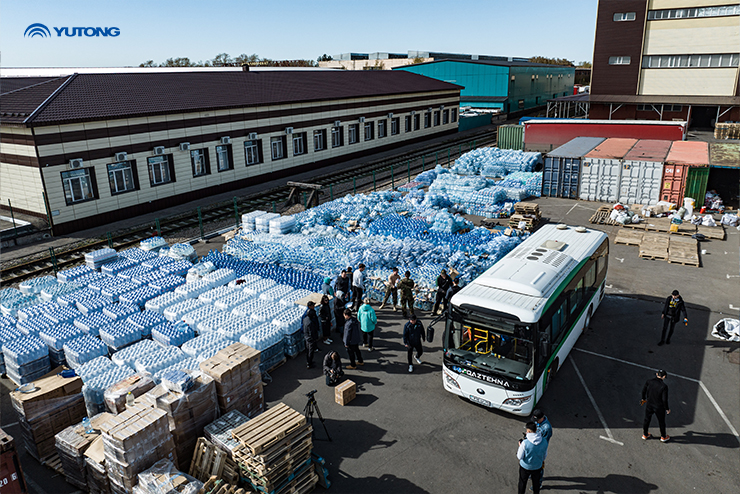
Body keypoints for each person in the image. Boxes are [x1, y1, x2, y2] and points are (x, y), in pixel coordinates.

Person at [516, 422, 547, 494]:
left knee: (522, 483)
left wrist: (520, 446)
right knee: (536, 484)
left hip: (525, 467)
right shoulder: (544, 441)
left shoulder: (525, 443)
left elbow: (519, 456)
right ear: (536, 429)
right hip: (537, 467)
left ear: (529, 431)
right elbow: (544, 456)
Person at [641, 369, 671, 442]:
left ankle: (645, 434)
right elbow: (664, 400)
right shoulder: (664, 386)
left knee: (647, 419)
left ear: (657, 374)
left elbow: (643, 390)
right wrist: (667, 409)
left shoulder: (649, 381)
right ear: (664, 377)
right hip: (659, 407)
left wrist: (643, 399)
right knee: (661, 422)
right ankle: (663, 436)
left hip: (649, 404)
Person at [532, 409, 552, 490]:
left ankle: (538, 483)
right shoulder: (537, 421)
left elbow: (544, 442)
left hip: (540, 449)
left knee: (539, 466)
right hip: (533, 446)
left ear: (542, 418)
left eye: (537, 420)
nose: (536, 421)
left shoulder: (546, 428)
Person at [302, 301, 320, 369]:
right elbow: (311, 332)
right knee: (310, 351)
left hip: (306, 337)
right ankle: (309, 363)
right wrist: (314, 338)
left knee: (308, 350)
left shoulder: (305, 319)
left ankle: (309, 361)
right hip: (310, 339)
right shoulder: (310, 323)